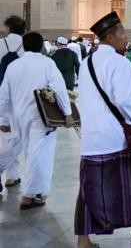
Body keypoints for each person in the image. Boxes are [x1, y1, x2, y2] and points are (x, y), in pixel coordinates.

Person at [75, 11, 131, 247]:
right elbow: (124, 100)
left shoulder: (86, 63)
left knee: (88, 190)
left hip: (91, 139)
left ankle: (83, 240)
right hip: (115, 138)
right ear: (111, 37)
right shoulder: (120, 62)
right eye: (123, 33)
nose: (126, 38)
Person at [0, 32, 73, 210]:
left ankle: (28, 188)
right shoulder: (47, 63)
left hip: (18, 116)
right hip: (41, 116)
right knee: (39, 153)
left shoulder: (14, 66)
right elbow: (59, 88)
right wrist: (68, 113)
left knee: (19, 148)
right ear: (42, 46)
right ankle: (31, 195)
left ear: (24, 46)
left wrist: (2, 118)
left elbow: (4, 94)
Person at [0, 15, 26, 190]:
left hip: (1, 95)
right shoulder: (28, 45)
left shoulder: (1, 43)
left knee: (4, 136)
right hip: (21, 97)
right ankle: (12, 176)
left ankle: (12, 174)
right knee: (17, 137)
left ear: (8, 28)